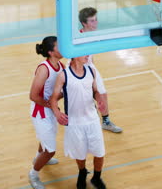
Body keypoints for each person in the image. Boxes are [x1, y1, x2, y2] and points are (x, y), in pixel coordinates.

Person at [50, 55, 107, 189]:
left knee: (99, 152)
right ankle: (82, 173)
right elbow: (53, 99)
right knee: (80, 154)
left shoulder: (91, 71)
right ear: (74, 56)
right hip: (75, 122)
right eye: (84, 54)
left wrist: (100, 100)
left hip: (92, 120)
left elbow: (95, 91)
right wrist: (57, 113)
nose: (88, 56)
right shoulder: (63, 76)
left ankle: (97, 178)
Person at [78, 7, 122, 133]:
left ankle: (106, 122)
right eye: (92, 21)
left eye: (96, 20)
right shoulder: (79, 37)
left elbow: (91, 57)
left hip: (90, 67)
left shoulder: (94, 35)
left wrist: (93, 71)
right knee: (82, 98)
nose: (95, 23)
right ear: (84, 23)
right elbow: (77, 60)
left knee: (102, 94)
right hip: (78, 69)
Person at [28, 36, 64, 189]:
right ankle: (33, 174)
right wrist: (52, 106)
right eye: (58, 46)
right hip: (41, 111)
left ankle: (38, 158)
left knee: (47, 139)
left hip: (50, 109)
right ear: (50, 52)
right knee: (50, 150)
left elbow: (57, 92)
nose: (63, 47)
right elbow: (33, 96)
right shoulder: (44, 69)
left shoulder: (61, 65)